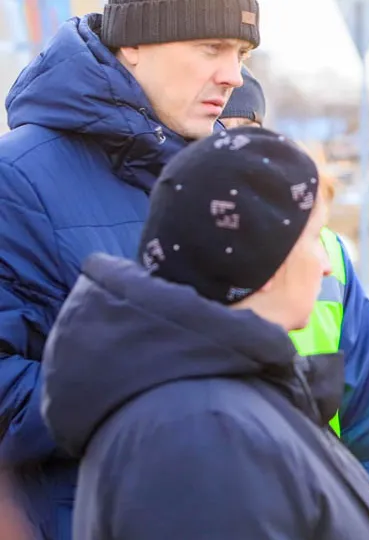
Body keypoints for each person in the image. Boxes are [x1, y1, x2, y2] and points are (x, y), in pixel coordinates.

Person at [40, 126, 369, 540]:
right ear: (263, 256)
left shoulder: (224, 407)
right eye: (312, 239)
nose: (326, 265)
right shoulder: (203, 433)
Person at [0, 2, 258, 538]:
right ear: (133, 45)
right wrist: (153, 377)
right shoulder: (16, 180)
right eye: (211, 48)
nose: (233, 75)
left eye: (241, 53)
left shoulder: (219, 174)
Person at [221, 68, 369, 535]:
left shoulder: (332, 258)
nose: (234, 151)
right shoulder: (180, 251)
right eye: (220, 133)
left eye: (249, 133)